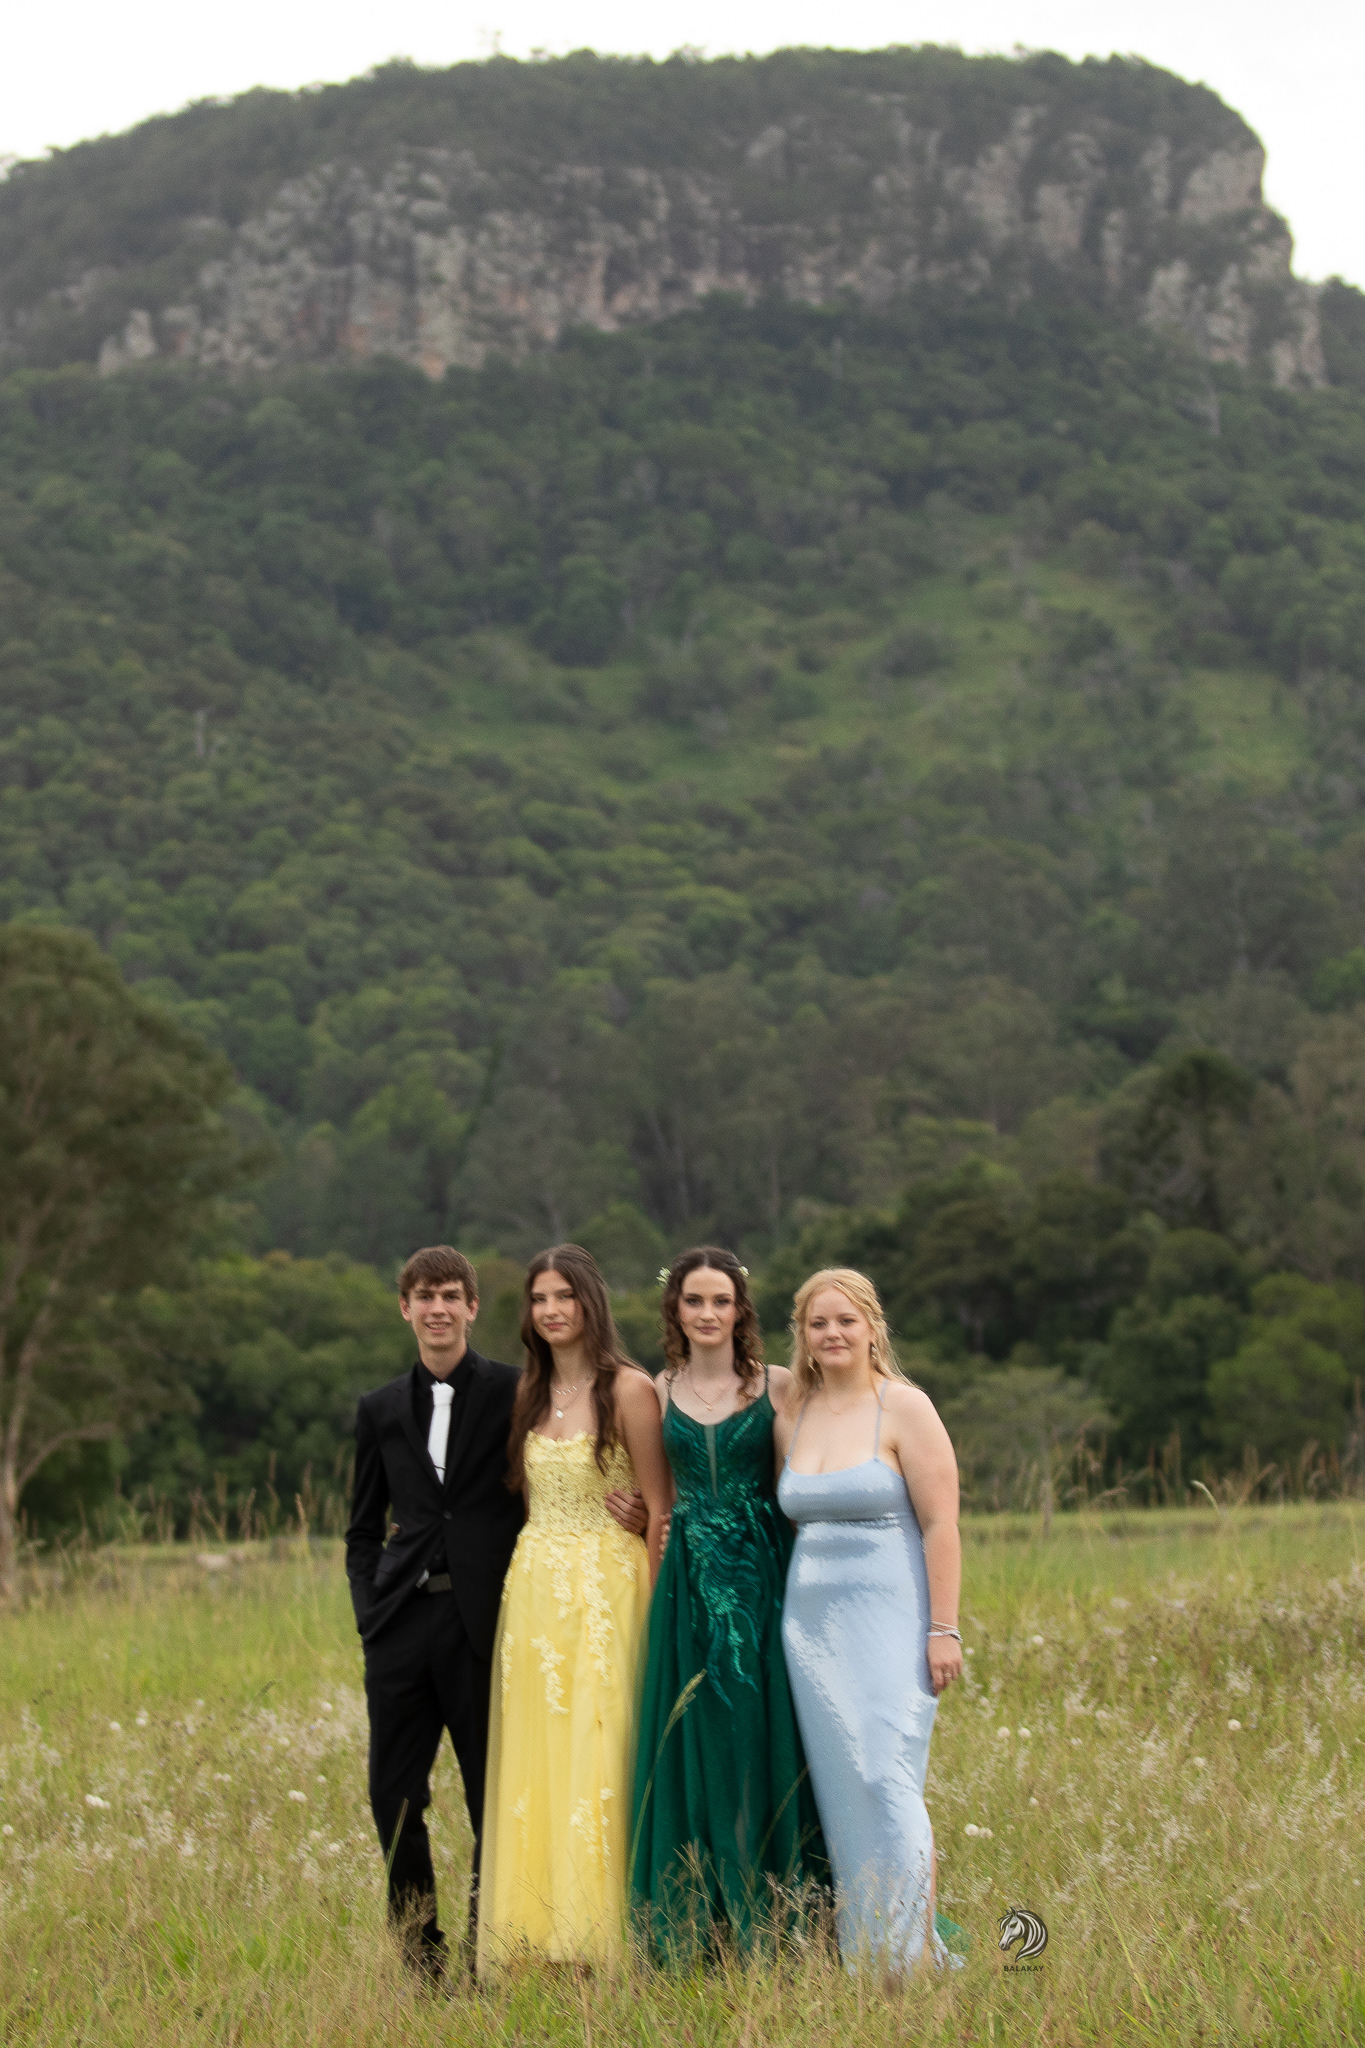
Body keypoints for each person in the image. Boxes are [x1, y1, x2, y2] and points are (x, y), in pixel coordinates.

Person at [345, 1246, 645, 1981]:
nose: (437, 1308)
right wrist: (369, 1611)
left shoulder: (521, 1390)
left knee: (499, 1794)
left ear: (473, 1307)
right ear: (404, 1308)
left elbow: (563, 1475)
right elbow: (361, 1528)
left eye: (451, 1295)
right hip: (399, 1625)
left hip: (488, 1622)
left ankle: (491, 1951)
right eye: (424, 1296)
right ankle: (420, 1960)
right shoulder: (379, 1409)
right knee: (392, 1796)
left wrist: (635, 1513)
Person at [478, 1244, 672, 1973]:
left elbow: (661, 1509)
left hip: (606, 1589)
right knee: (539, 1756)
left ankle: (604, 1934)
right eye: (540, 1298)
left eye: (564, 1296)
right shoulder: (528, 1391)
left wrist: (658, 1605)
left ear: (591, 1301)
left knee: (599, 1747)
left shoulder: (629, 1389)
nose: (552, 1310)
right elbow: (530, 1501)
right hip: (533, 1592)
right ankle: (541, 1933)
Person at [630, 1247, 828, 1958]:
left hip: (763, 1574)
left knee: (766, 1731)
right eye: (694, 1301)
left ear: (740, 1309)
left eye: (721, 1301)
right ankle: (705, 1917)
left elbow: (801, 1481)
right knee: (699, 1737)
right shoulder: (658, 1388)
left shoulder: (778, 1384)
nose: (707, 1313)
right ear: (675, 1309)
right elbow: (658, 1500)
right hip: (687, 1581)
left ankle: (785, 1910)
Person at [774, 1267, 963, 1976]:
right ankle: (867, 1950)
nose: (832, 1333)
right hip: (810, 1630)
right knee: (844, 1785)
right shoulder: (795, 1412)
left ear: (872, 1328)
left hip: (893, 1617)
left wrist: (943, 1628)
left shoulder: (905, 1407)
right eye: (818, 1323)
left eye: (845, 1320)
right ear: (802, 1335)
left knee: (888, 1775)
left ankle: (911, 1955)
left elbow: (941, 1524)